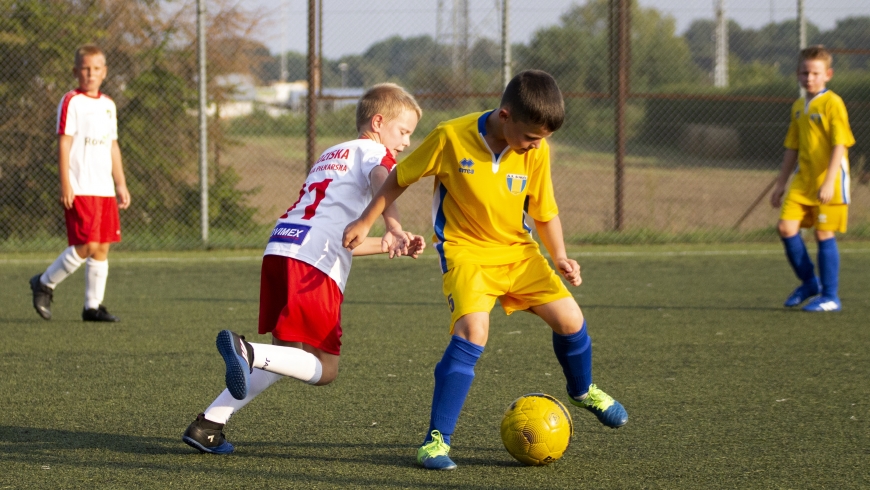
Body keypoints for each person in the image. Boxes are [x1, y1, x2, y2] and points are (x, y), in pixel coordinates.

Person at [343, 70, 628, 471]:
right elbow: (397, 179)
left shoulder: (536, 150)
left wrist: (560, 255)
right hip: (467, 253)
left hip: (519, 252)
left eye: (542, 139)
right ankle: (435, 442)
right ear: (506, 115)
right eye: (531, 137)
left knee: (571, 320)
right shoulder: (450, 137)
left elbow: (543, 211)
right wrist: (364, 223)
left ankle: (582, 391)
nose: (535, 146)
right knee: (472, 332)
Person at [182, 83, 426, 454]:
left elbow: (339, 239)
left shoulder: (333, 153)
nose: (406, 142)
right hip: (312, 264)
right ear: (378, 122)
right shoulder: (376, 152)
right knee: (324, 368)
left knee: (285, 355)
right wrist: (394, 225)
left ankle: (209, 425)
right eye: (404, 132)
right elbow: (385, 183)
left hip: (284, 246)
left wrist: (391, 244)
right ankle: (245, 351)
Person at [29, 44, 131, 322]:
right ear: (76, 71)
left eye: (96, 68)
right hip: (81, 185)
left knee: (102, 246)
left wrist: (120, 183)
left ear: (104, 72)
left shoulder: (109, 105)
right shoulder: (71, 101)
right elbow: (64, 143)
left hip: (104, 188)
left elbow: (113, 146)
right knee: (86, 244)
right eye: (85, 68)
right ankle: (45, 282)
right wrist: (66, 182)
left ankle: (92, 307)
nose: (90, 73)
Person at [770, 45, 855, 312]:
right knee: (786, 228)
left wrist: (829, 182)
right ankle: (809, 283)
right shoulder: (798, 106)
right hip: (802, 181)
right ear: (797, 74)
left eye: (815, 73)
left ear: (827, 74)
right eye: (805, 73)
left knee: (823, 233)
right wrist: (781, 183)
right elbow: (791, 148)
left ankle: (830, 296)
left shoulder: (833, 103)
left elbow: (840, 144)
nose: (809, 78)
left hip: (829, 180)